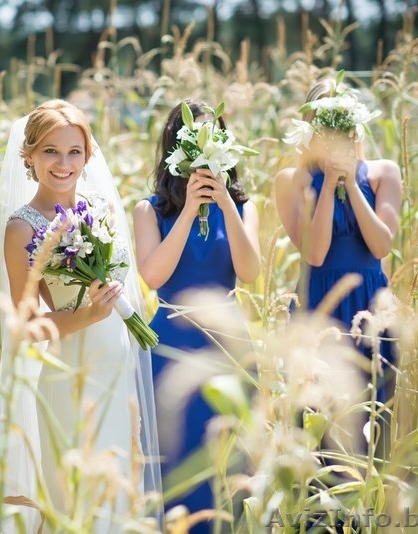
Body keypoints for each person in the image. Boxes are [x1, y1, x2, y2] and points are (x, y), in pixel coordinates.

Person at [0, 99, 161, 532]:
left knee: (120, 496)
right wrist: (87, 315)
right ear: (29, 156)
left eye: (74, 152)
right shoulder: (22, 227)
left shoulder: (102, 209)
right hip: (69, 372)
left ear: (87, 155)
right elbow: (26, 326)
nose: (64, 163)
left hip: (117, 366)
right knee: (75, 501)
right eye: (51, 151)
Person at [132, 99, 260, 532]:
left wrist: (225, 205)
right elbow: (153, 275)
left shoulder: (243, 207)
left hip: (227, 343)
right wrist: (188, 210)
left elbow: (250, 272)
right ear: (176, 149)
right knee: (175, 458)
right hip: (170, 343)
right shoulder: (149, 210)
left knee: (228, 457)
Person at [274, 79, 402, 451]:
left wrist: (351, 181)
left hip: (370, 306)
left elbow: (381, 244)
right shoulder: (292, 180)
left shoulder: (383, 172)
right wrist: (330, 183)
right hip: (320, 308)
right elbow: (314, 254)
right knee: (320, 424)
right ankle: (318, 510)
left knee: (374, 420)